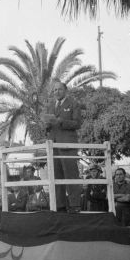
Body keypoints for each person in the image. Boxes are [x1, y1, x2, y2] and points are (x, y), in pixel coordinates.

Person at [42, 80, 82, 212]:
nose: (56, 92)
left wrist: (62, 122)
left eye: (59, 89)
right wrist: (47, 125)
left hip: (67, 144)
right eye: (54, 90)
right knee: (56, 176)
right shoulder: (51, 105)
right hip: (53, 144)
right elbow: (48, 126)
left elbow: (77, 123)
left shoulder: (73, 103)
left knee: (71, 175)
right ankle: (59, 205)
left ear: (65, 90)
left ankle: (75, 205)